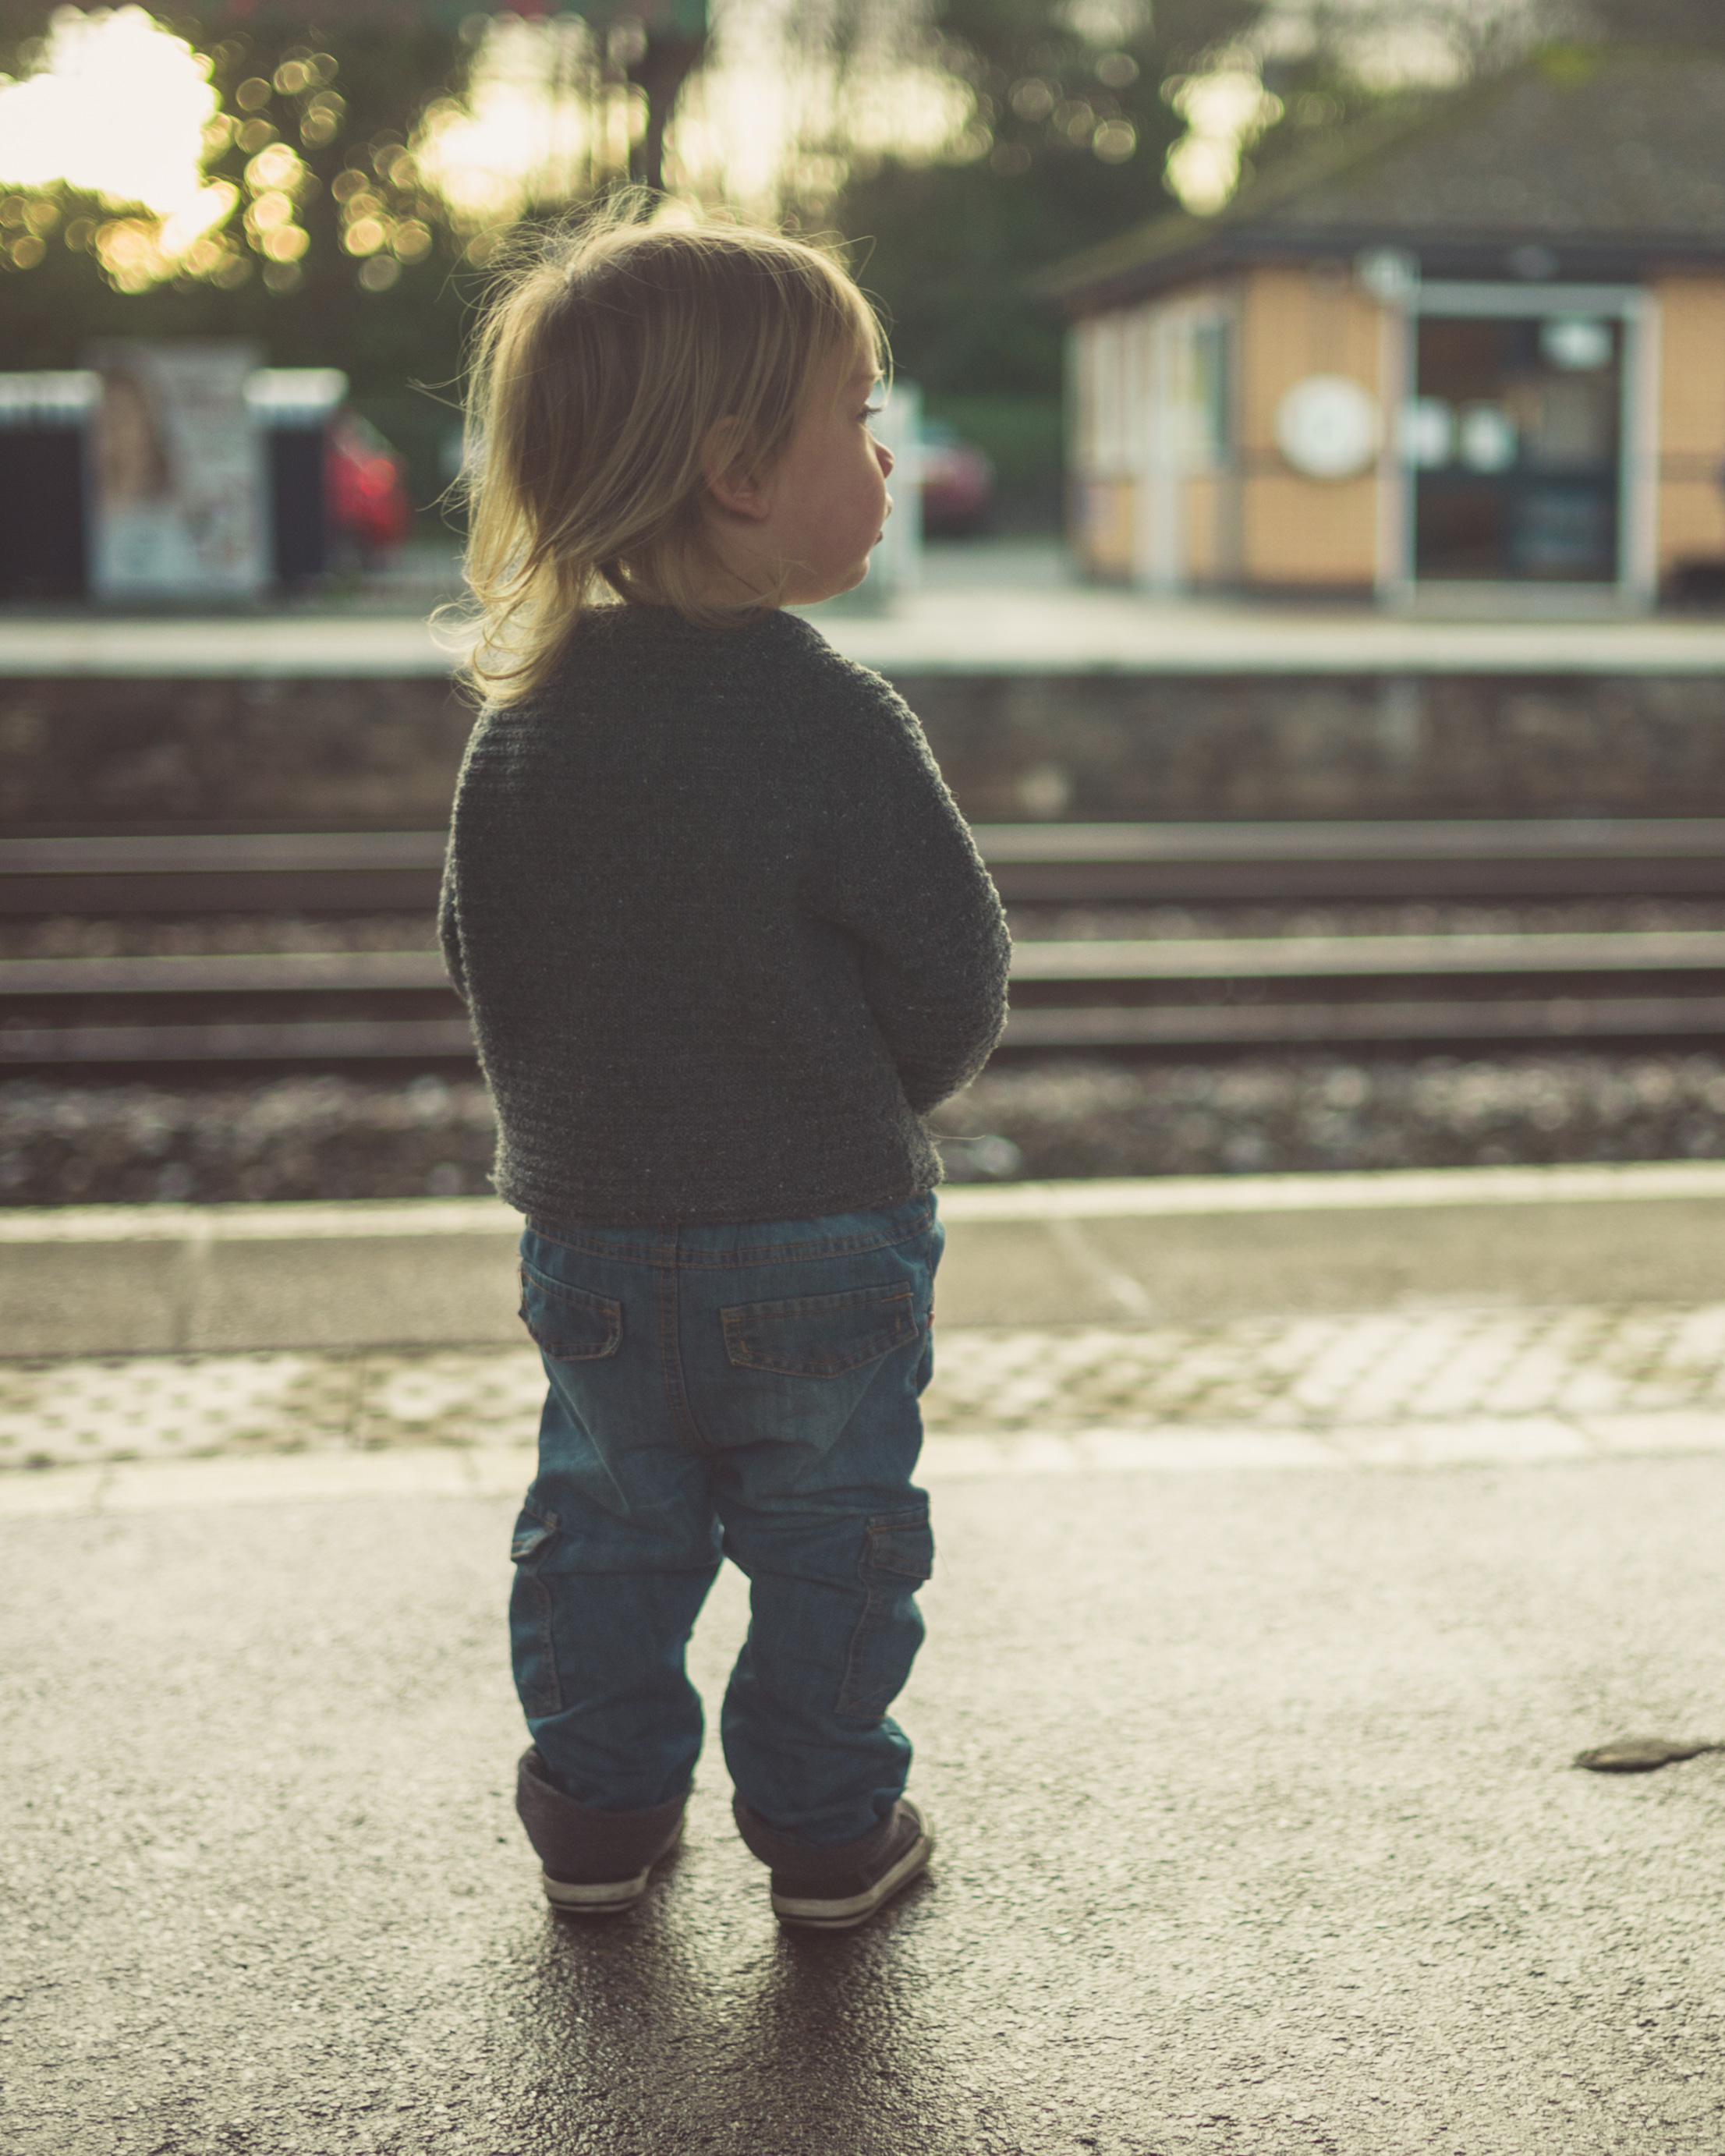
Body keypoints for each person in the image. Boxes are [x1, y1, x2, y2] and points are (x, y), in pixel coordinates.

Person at [437, 203, 1011, 1931]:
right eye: (855, 412)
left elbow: (485, 962)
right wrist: (863, 1097)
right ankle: (829, 1835)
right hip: (823, 1236)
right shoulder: (831, 714)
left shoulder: (524, 719)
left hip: (595, 1240)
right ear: (741, 471)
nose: (885, 448)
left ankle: (597, 1822)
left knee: (604, 1532)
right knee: (835, 1540)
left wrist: (583, 1128)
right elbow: (957, 974)